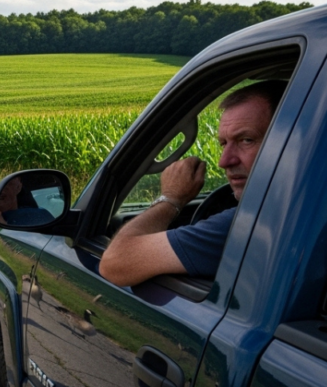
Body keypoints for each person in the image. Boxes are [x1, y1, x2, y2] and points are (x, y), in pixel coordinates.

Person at [99, 80, 287, 287]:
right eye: (223, 143)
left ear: (291, 143)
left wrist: (171, 198)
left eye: (246, 140)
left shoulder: (249, 226)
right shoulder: (297, 212)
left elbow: (114, 263)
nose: (224, 161)